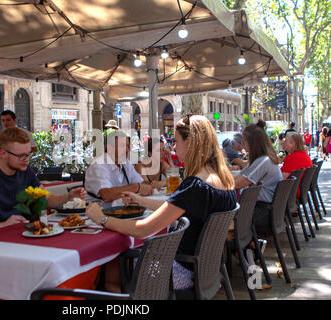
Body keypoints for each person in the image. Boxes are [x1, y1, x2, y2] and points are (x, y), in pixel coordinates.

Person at [86, 115, 236, 292]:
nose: (173, 146)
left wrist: (101, 219)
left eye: (177, 141)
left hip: (179, 273)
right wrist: (139, 199)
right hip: (204, 270)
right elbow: (175, 208)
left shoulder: (195, 186)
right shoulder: (224, 181)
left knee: (117, 260)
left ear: (190, 143)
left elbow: (142, 229)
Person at [0, 127, 86, 228]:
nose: (26, 160)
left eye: (28, 155)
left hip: (22, 234)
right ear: (3, 153)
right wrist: (1, 225)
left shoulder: (24, 171)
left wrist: (68, 197)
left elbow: (45, 198)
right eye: (21, 156)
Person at [234, 120, 283, 236]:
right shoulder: (265, 159)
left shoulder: (263, 161)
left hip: (260, 214)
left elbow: (237, 184)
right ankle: (243, 248)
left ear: (250, 143)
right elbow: (243, 175)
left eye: (243, 141)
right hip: (265, 211)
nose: (242, 144)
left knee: (217, 220)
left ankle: (242, 247)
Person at [84, 131, 153, 205]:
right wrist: (136, 187)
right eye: (122, 146)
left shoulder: (125, 163)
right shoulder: (99, 166)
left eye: (128, 146)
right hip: (98, 212)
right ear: (109, 147)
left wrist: (147, 186)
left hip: (122, 211)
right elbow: (106, 195)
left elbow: (142, 184)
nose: (127, 150)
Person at [280, 132, 313, 198]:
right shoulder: (304, 155)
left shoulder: (293, 158)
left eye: (286, 141)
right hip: (299, 191)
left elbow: (281, 178)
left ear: (293, 144)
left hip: (290, 193)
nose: (284, 143)